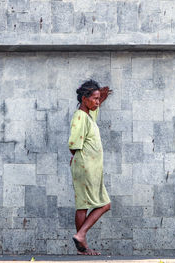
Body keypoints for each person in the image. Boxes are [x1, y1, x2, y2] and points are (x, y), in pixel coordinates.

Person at [68, 79, 112, 256]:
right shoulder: (80, 116)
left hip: (88, 167)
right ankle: (81, 234)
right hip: (85, 167)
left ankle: (82, 248)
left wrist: (101, 96)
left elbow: (95, 107)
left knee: (83, 206)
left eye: (98, 99)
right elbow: (73, 144)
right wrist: (77, 158)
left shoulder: (88, 115)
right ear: (84, 99)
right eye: (94, 98)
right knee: (105, 204)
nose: (97, 102)